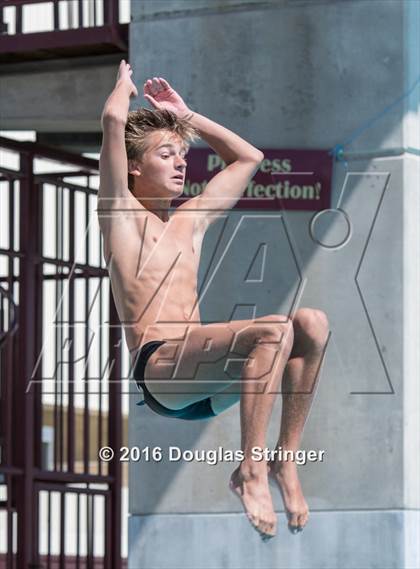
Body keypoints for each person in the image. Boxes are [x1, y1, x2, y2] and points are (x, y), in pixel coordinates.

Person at [98, 60, 329, 540]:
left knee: (311, 323)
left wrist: (187, 117)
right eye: (167, 155)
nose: (181, 162)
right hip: (160, 372)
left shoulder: (190, 220)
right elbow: (114, 123)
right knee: (272, 330)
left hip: (208, 384)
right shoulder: (120, 216)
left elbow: (249, 158)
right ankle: (249, 469)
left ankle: (283, 462)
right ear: (134, 167)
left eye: (183, 155)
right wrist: (122, 88)